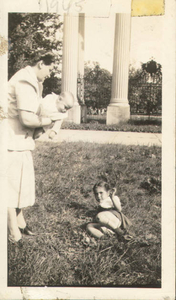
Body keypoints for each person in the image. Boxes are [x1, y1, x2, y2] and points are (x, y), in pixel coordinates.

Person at [7, 50, 57, 243]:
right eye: (50, 68)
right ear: (41, 63)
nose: (50, 73)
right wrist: (49, 120)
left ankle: (20, 223)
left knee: (19, 184)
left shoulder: (32, 80)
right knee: (9, 188)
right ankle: (13, 234)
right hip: (11, 140)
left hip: (20, 141)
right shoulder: (25, 81)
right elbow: (27, 118)